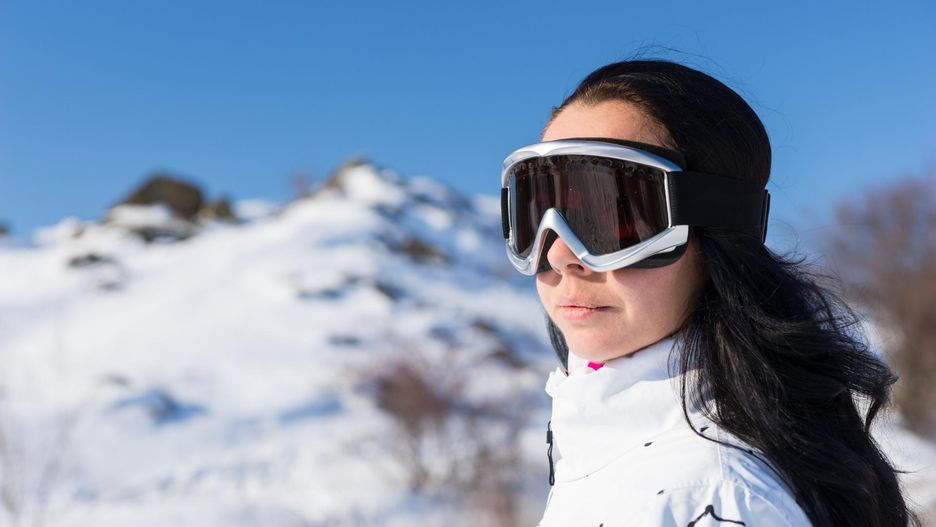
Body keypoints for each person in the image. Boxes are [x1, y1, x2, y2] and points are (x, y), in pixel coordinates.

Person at [498, 59, 921, 526]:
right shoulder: (606, 445)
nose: (560, 254)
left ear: (714, 233)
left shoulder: (713, 497)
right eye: (536, 212)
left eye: (611, 217)